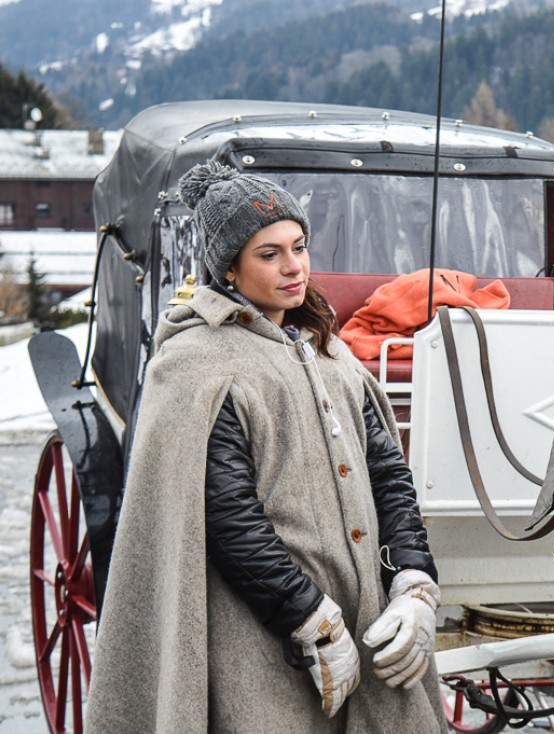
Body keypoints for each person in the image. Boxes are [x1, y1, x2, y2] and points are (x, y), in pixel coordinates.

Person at [86, 160, 447, 733]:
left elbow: (388, 476)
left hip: (367, 626)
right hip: (259, 644)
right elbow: (230, 517)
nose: (293, 266)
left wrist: (411, 580)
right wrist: (308, 617)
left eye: (298, 247)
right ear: (228, 268)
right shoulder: (198, 362)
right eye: (269, 253)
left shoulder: (329, 352)